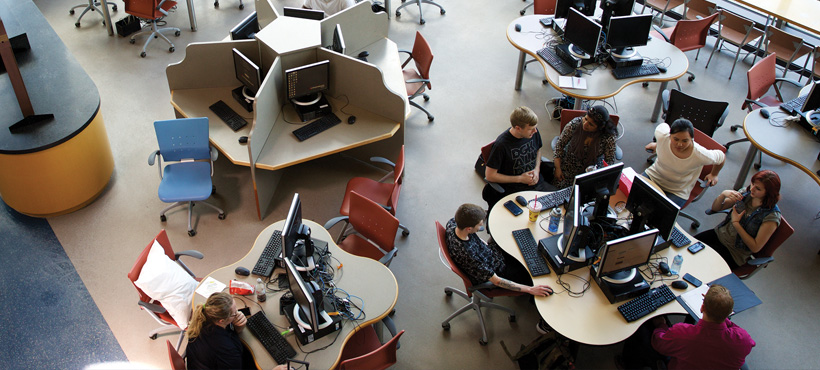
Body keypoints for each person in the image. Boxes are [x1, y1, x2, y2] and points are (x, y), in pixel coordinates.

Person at [619, 285, 755, 370]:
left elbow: (658, 343)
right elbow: (747, 341)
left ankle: (626, 363)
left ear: (702, 307)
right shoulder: (742, 338)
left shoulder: (683, 333)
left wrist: (661, 325)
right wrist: (721, 312)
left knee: (642, 327)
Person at [445, 203, 554, 297]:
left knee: (519, 245)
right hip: (499, 270)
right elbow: (496, 281)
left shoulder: (453, 223)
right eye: (479, 224)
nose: (482, 225)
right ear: (469, 229)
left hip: (491, 253)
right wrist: (530, 289)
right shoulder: (469, 255)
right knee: (532, 273)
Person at [694, 170, 781, 269]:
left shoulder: (771, 217)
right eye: (752, 183)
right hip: (719, 234)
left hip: (734, 252)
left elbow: (755, 247)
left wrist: (736, 224)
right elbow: (716, 208)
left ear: (768, 193)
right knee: (686, 247)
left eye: (758, 189)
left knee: (698, 262)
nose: (752, 189)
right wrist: (723, 195)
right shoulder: (745, 193)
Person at [187, 292, 289, 370]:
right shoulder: (228, 350)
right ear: (222, 320)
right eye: (234, 313)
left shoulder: (203, 319)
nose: (238, 313)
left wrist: (238, 327)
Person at [483, 106, 556, 209]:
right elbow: (490, 175)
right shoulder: (501, 145)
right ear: (518, 128)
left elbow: (538, 150)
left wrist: (536, 170)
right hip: (515, 190)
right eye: (531, 129)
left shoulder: (533, 133)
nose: (535, 131)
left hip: (536, 182)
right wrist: (520, 179)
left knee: (559, 204)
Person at [644, 119, 725, 207]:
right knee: (630, 197)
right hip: (653, 176)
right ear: (670, 136)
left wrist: (714, 174)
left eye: (685, 141)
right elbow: (663, 125)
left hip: (677, 191)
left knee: (658, 214)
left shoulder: (700, 154)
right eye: (676, 139)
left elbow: (721, 156)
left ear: (692, 139)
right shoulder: (662, 136)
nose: (679, 144)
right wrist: (658, 144)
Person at [552, 105, 617, 189]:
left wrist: (598, 176)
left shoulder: (608, 137)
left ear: (600, 127)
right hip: (567, 169)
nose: (585, 124)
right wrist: (557, 168)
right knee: (559, 196)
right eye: (585, 119)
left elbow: (609, 162)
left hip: (590, 174)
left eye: (591, 124)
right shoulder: (575, 124)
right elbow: (559, 145)